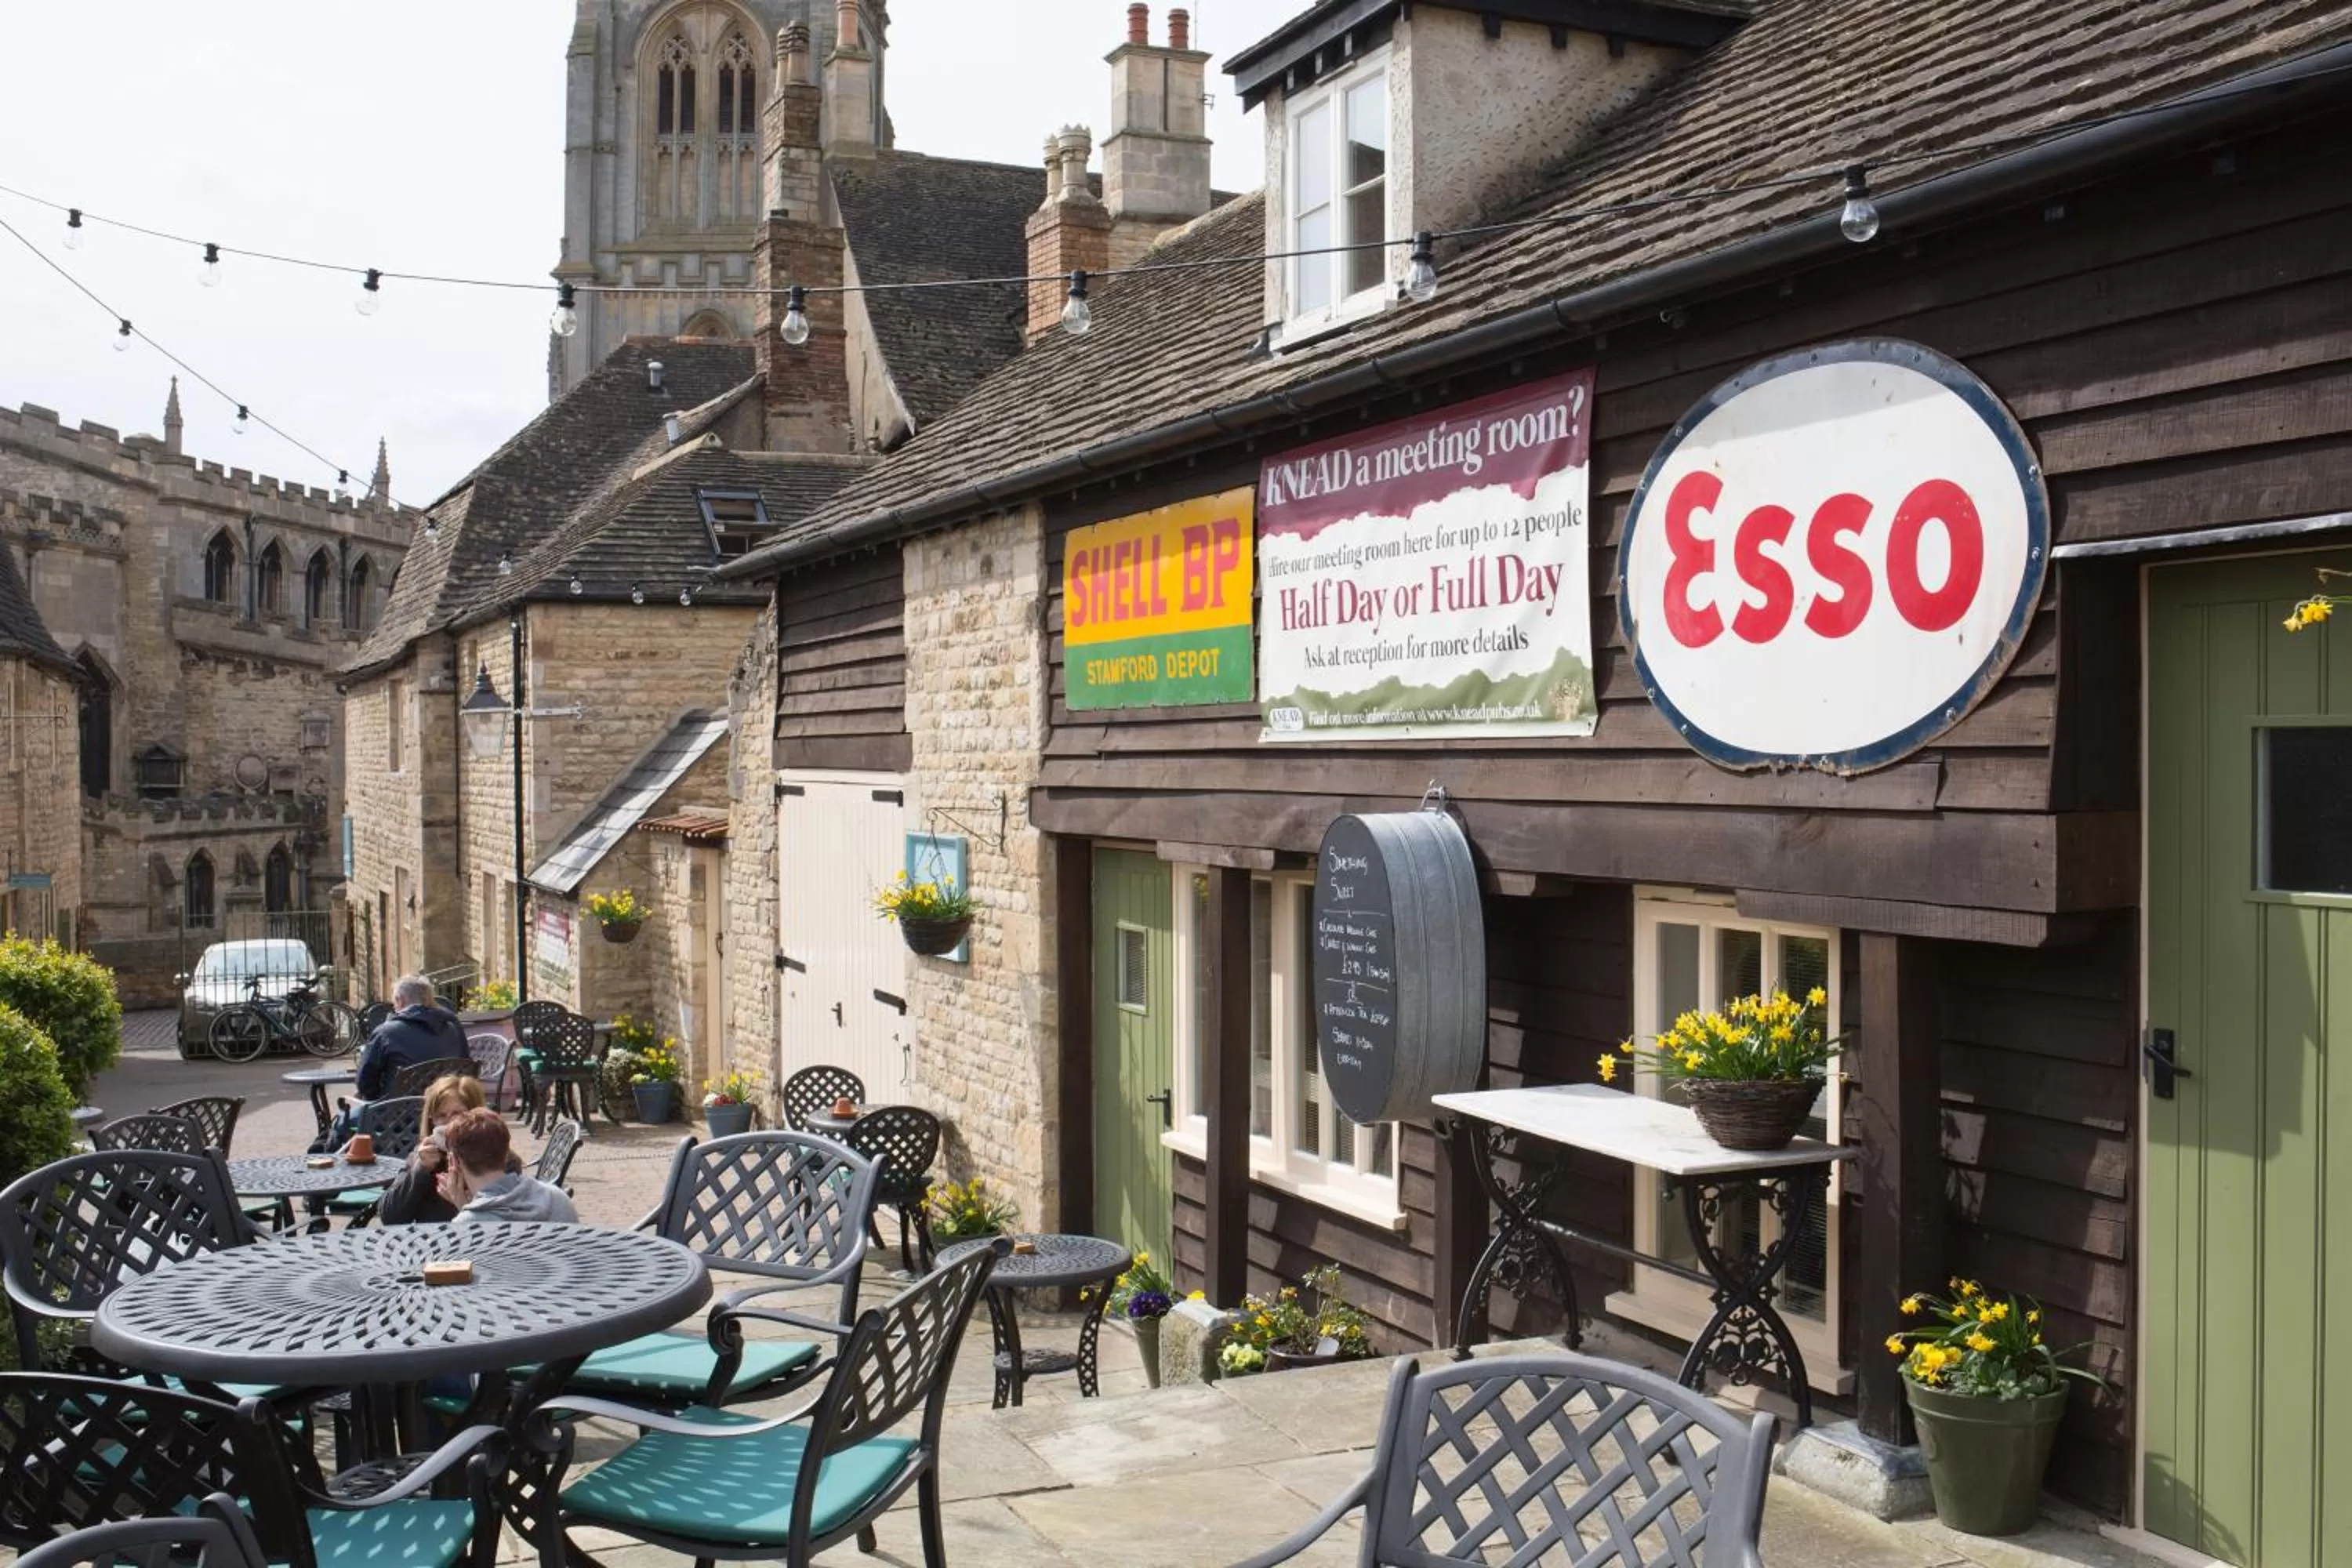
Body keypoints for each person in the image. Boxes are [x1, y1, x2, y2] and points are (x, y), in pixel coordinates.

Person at [318, 976, 471, 1150]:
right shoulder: (454, 1029)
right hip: (448, 1114)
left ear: (400, 1000)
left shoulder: (386, 1032)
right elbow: (465, 1074)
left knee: (342, 1123)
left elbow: (365, 1084)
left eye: (394, 1003)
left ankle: (332, 1169)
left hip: (397, 1119)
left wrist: (380, 1093)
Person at [377, 1076, 522, 1226]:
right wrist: (420, 1169)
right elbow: (389, 1217)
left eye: (457, 1114)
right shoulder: (424, 1156)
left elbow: (509, 1223)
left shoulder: (499, 1160)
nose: (449, 1122)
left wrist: (462, 1203)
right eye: (441, 1115)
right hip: (431, 1243)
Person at [441, 1107, 579, 1225]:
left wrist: (463, 1207)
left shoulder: (467, 1225)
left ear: (454, 1162)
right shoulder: (558, 1199)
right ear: (506, 1152)